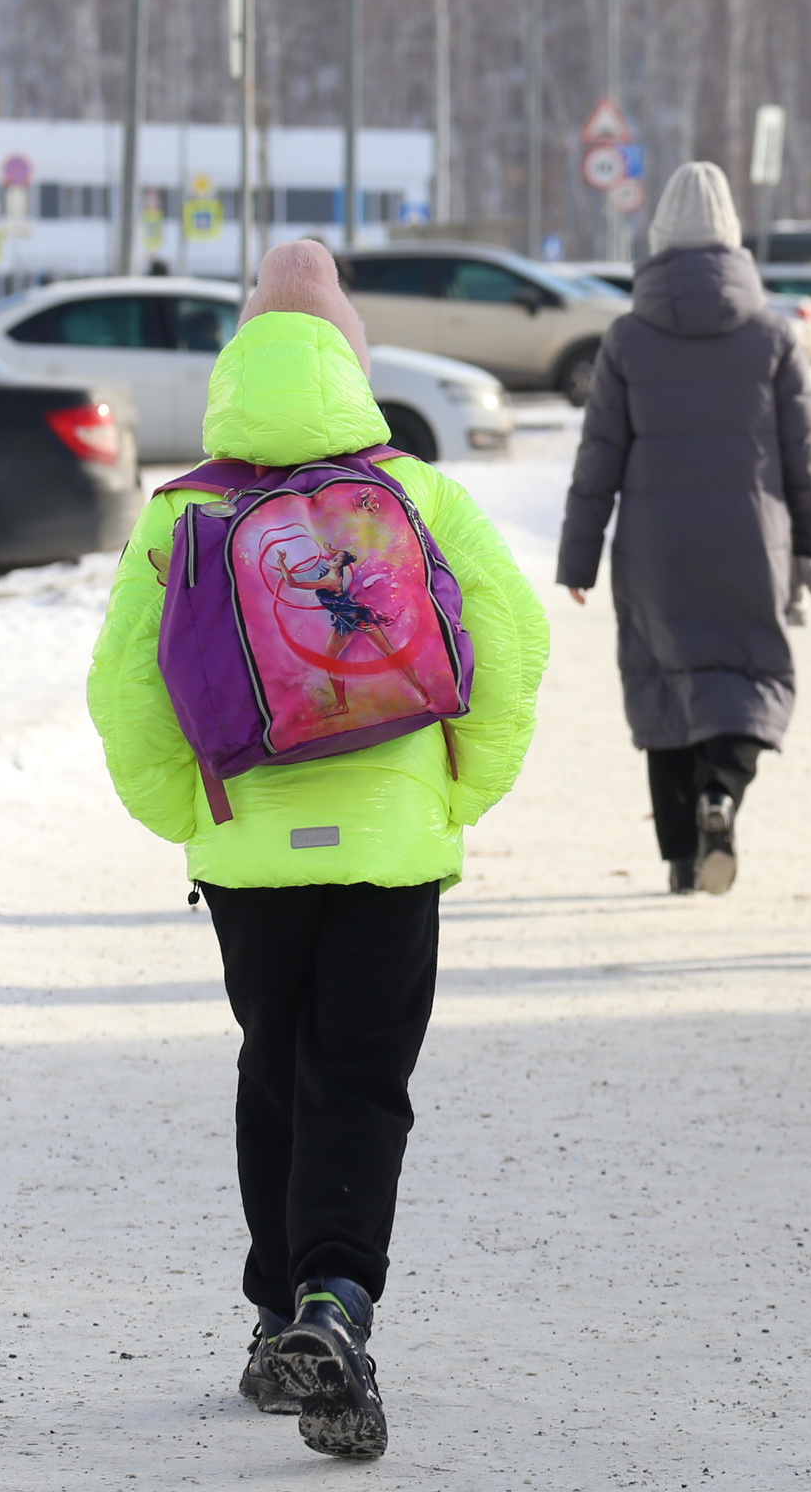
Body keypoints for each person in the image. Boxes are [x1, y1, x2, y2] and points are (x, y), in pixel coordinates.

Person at [86, 239, 547, 1461]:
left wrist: (192, 810)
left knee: (276, 1067)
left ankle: (275, 1313)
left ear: (241, 360)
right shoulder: (420, 494)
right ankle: (338, 1298)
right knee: (361, 1074)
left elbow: (123, 689)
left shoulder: (183, 509)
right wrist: (458, 787)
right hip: (393, 846)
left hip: (249, 852)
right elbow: (515, 639)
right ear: (350, 357)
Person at [558, 160, 811, 896]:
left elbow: (598, 460)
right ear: (734, 242)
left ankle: (683, 853)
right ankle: (723, 793)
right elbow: (802, 455)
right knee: (749, 676)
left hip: (655, 551)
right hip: (752, 543)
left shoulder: (625, 341)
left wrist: (578, 558)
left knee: (664, 684)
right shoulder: (774, 338)